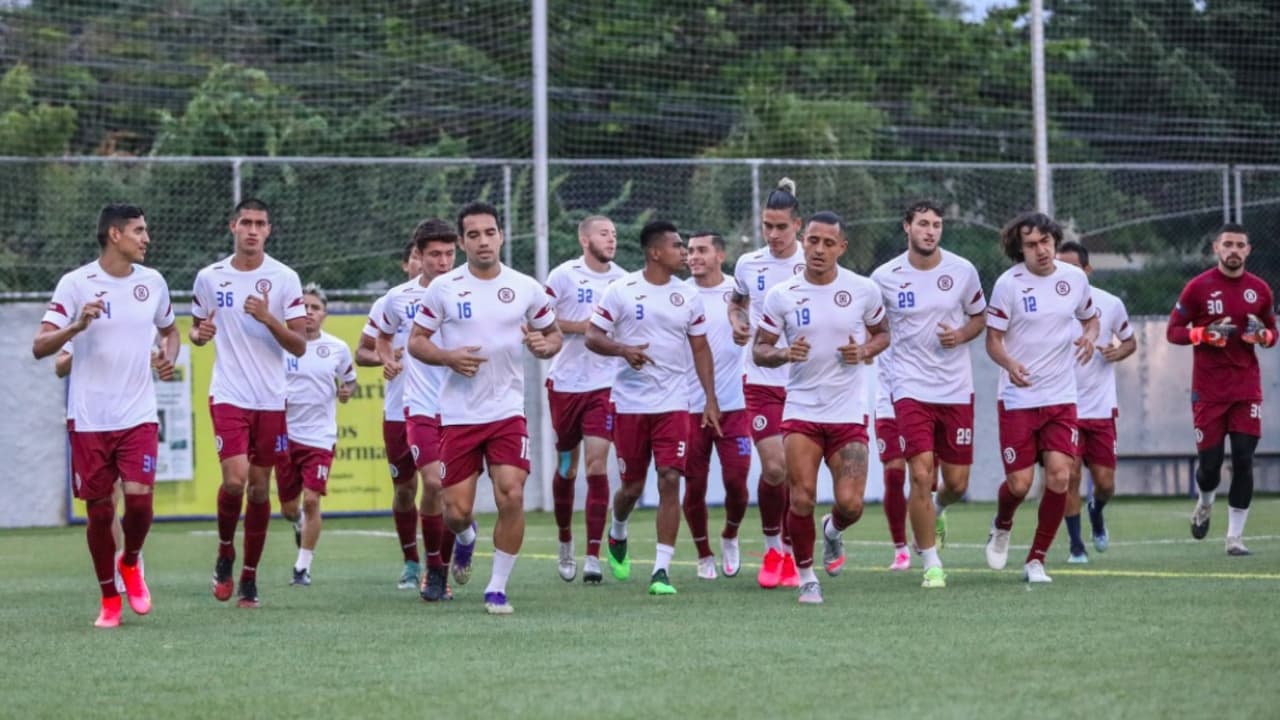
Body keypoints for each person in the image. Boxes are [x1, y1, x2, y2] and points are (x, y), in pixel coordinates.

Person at [408, 202, 562, 615]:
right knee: (455, 510)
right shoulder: (442, 288)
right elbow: (416, 341)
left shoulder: (526, 287)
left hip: (507, 412)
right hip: (458, 415)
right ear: (462, 242)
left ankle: (497, 587)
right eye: (473, 235)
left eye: (489, 232)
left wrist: (544, 345)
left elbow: (553, 335)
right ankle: (464, 538)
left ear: (501, 236)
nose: (483, 241)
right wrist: (449, 357)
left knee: (511, 493)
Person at [32, 203, 179, 627]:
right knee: (99, 513)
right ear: (115, 235)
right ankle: (109, 598)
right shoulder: (76, 284)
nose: (146, 238)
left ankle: (130, 561)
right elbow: (40, 347)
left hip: (138, 414)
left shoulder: (153, 282)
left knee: (140, 503)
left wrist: (168, 357)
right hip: (90, 418)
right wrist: (76, 328)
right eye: (139, 230)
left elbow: (170, 331)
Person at [752, 211, 889, 604]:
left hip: (848, 413)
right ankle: (807, 576)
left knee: (851, 503)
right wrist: (782, 353)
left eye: (829, 243)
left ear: (841, 248)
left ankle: (833, 530)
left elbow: (883, 334)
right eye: (813, 241)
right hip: (802, 411)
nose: (819, 249)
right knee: (801, 498)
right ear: (804, 241)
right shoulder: (783, 294)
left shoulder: (863, 290)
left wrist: (863, 350)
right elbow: (759, 350)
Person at [586, 220, 720, 596]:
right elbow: (594, 337)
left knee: (671, 478)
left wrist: (709, 398)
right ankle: (618, 530)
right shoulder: (621, 290)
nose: (685, 252)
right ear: (655, 252)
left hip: (674, 403)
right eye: (678, 246)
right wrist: (623, 350)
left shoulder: (688, 296)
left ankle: (661, 570)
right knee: (630, 487)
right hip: (629, 404)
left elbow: (700, 348)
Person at [191, 198, 307, 608]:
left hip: (271, 399)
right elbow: (197, 329)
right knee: (235, 481)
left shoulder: (284, 278)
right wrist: (198, 336)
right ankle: (225, 551)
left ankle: (250, 578)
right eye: (246, 223)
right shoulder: (209, 277)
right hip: (229, 394)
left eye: (260, 224)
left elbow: (299, 343)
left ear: (269, 230)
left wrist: (268, 318)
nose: (253, 230)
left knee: (260, 491)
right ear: (233, 227)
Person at [870, 201, 987, 589]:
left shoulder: (962, 270)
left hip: (955, 388)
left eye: (936, 224)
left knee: (955, 483)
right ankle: (931, 563)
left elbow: (979, 317)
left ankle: (938, 510)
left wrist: (961, 335)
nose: (930, 230)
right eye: (923, 223)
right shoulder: (884, 277)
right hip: (908, 387)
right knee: (920, 473)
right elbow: (872, 325)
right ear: (907, 227)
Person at [984, 212, 1099, 583]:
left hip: (1061, 396)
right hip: (1018, 398)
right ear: (1020, 249)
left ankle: (1036, 560)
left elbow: (1090, 318)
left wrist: (1090, 335)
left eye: (1046, 241)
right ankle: (1002, 524)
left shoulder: (1074, 279)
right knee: (1019, 485)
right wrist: (1010, 363)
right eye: (1031, 245)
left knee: (1060, 477)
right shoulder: (1008, 284)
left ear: (1054, 240)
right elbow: (993, 341)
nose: (1041, 250)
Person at [1166, 223, 1276, 555]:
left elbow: (1271, 332)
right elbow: (1173, 331)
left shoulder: (1260, 290)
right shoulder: (1198, 288)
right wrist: (1202, 334)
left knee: (1244, 459)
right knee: (1210, 465)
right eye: (1227, 244)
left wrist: (1263, 337)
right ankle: (1204, 504)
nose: (1233, 250)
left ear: (1248, 250)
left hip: (1246, 389)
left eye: (1240, 245)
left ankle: (1234, 538)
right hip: (1209, 392)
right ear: (1216, 248)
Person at [376, 219, 461, 601]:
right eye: (434, 255)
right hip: (419, 406)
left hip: (465, 409)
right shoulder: (397, 298)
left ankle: (451, 552)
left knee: (457, 503)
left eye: (449, 254)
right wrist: (385, 358)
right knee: (431, 484)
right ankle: (430, 567)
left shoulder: (470, 290)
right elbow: (379, 336)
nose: (443, 262)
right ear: (418, 257)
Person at [728, 178, 806, 589]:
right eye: (767, 226)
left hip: (807, 385)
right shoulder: (748, 264)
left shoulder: (813, 265)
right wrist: (738, 323)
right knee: (774, 468)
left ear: (799, 226)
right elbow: (737, 302)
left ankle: (793, 553)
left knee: (796, 473)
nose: (773, 235)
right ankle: (773, 546)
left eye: (781, 227)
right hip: (760, 378)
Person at [543, 215, 626, 584]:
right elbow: (541, 319)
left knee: (596, 466)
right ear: (584, 239)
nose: (611, 240)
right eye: (604, 233)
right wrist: (587, 328)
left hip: (605, 385)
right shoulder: (563, 275)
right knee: (567, 468)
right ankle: (565, 540)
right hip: (564, 385)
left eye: (614, 235)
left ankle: (593, 555)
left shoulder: (622, 280)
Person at [1056, 241, 1136, 563]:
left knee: (1105, 484)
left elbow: (1129, 341)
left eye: (1074, 268)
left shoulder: (1110, 304)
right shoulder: (1051, 305)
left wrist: (1119, 351)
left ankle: (1097, 511)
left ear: (1087, 271)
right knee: (1070, 476)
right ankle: (1076, 545)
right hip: (1064, 407)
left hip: (1101, 408)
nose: (1067, 275)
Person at [356, 240, 428, 589]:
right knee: (404, 489)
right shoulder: (393, 301)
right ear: (406, 264)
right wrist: (384, 359)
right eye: (415, 257)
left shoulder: (452, 295)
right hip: (399, 410)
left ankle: (440, 560)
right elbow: (362, 352)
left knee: (442, 487)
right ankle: (412, 561)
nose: (421, 263)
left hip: (441, 409)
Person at [277, 284, 357, 586]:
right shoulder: (280, 344)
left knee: (312, 500)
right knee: (288, 508)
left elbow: (350, 381)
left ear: (324, 314)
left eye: (315, 308)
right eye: (304, 307)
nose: (309, 312)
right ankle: (297, 523)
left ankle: (302, 567)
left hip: (320, 438)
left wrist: (347, 391)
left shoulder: (336, 348)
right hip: (285, 437)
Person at [683, 231, 751, 579]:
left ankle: (730, 534)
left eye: (701, 250)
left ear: (720, 255)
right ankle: (703, 553)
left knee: (738, 482)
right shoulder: (679, 295)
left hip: (735, 406)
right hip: (689, 408)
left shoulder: (737, 294)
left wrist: (746, 331)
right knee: (694, 484)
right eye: (690, 250)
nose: (693, 256)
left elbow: (755, 330)